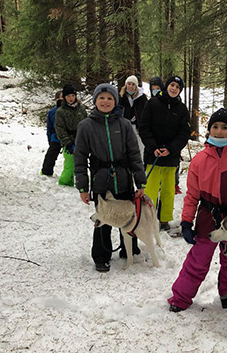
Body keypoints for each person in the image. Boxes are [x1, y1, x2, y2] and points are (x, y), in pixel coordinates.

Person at [168, 108, 227, 313]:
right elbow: (192, 195)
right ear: (209, 130)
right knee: (198, 259)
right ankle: (181, 296)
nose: (219, 132)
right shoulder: (199, 160)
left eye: (225, 128)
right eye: (215, 127)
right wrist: (186, 221)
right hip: (208, 216)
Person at [74, 83, 147, 272]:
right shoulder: (86, 126)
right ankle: (101, 255)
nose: (105, 101)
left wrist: (140, 181)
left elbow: (134, 154)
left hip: (123, 178)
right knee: (103, 219)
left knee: (128, 216)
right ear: (95, 100)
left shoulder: (124, 125)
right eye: (102, 98)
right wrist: (83, 187)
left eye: (110, 98)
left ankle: (129, 249)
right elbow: (80, 158)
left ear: (115, 101)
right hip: (100, 180)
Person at [139, 75, 191, 231]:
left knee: (168, 190)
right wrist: (152, 147)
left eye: (177, 87)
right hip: (152, 155)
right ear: (166, 86)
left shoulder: (182, 109)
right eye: (172, 85)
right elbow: (144, 127)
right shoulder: (152, 103)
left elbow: (184, 133)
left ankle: (164, 220)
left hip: (171, 157)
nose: (174, 88)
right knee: (151, 190)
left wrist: (171, 148)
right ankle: (148, 218)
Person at [55, 84, 87, 187]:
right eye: (68, 96)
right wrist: (67, 142)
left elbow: (87, 123)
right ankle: (65, 182)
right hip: (69, 140)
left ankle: (82, 182)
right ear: (64, 97)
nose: (71, 98)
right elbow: (60, 128)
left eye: (72, 96)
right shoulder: (61, 111)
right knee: (69, 164)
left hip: (81, 140)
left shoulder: (81, 109)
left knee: (82, 163)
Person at [119, 75, 147, 157]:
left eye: (133, 84)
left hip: (138, 128)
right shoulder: (121, 97)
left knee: (140, 148)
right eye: (129, 84)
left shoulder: (142, 98)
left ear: (136, 86)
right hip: (124, 127)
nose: (131, 86)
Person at [41, 90, 64, 176]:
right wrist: (49, 138)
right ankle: (46, 171)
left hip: (69, 137)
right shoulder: (52, 112)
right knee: (51, 156)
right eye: (59, 99)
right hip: (56, 137)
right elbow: (49, 127)